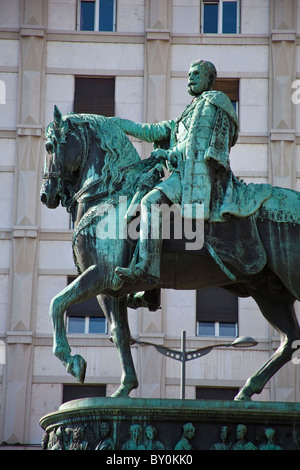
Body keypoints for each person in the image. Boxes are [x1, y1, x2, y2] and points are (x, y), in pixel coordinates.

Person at [113, 60, 239, 284]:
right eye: (188, 74)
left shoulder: (213, 102)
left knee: (150, 203)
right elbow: (150, 131)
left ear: (208, 79)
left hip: (196, 175)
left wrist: (169, 152)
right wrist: (116, 123)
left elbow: (195, 144)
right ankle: (148, 287)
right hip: (182, 175)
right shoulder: (185, 114)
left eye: (196, 74)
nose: (190, 78)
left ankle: (147, 269)